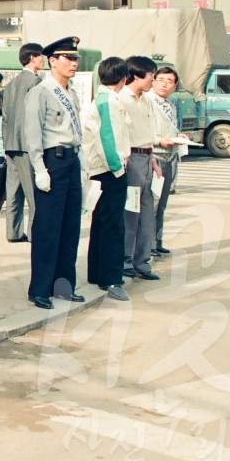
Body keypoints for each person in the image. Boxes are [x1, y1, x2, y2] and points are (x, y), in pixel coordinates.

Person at [24, 36, 85, 310]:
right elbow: (33, 134)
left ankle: (63, 285)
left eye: (75, 59)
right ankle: (40, 289)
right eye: (68, 59)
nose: (73, 63)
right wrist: (39, 168)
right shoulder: (41, 91)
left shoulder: (72, 92)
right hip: (52, 160)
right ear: (53, 61)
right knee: (48, 228)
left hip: (71, 160)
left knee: (70, 227)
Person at [82, 57, 132, 302]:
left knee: (101, 223)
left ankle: (97, 273)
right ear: (124, 78)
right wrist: (118, 168)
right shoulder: (109, 102)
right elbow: (108, 138)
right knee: (113, 226)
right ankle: (112, 278)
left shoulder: (102, 99)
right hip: (109, 170)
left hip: (99, 169)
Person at [119, 55, 167, 282]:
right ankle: (126, 260)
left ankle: (143, 262)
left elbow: (148, 134)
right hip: (132, 159)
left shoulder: (146, 100)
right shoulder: (121, 99)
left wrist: (154, 160)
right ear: (137, 75)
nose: (153, 81)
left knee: (148, 214)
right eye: (151, 76)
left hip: (147, 158)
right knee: (131, 213)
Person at [2, 43, 44, 243]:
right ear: (33, 58)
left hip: (11, 143)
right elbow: (37, 116)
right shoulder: (36, 82)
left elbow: (5, 117)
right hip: (28, 144)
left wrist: (6, 144)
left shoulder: (11, 83)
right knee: (33, 193)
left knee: (14, 191)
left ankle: (13, 231)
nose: (43, 60)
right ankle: (35, 233)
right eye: (41, 56)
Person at [149, 67, 185, 256]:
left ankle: (157, 241)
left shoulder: (171, 105)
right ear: (153, 81)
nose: (164, 84)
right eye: (160, 79)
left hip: (170, 156)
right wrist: (158, 140)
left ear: (175, 85)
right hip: (155, 155)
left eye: (169, 81)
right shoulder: (148, 102)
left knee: (162, 203)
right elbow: (144, 131)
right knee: (151, 203)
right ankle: (148, 245)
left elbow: (170, 128)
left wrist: (179, 135)